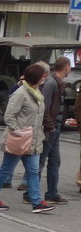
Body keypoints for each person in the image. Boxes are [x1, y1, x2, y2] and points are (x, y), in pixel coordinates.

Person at [0, 63, 54, 214]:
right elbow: (9, 116)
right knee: (6, 170)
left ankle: (36, 202)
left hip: (33, 140)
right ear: (36, 78)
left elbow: (39, 116)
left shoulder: (37, 92)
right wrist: (18, 132)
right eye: (43, 76)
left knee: (33, 170)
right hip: (19, 139)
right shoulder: (21, 93)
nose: (45, 79)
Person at [30, 56, 70, 205]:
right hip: (50, 128)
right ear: (66, 67)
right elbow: (44, 107)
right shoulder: (51, 84)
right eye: (69, 67)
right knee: (41, 161)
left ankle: (52, 193)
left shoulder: (58, 83)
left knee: (54, 161)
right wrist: (50, 126)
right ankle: (31, 193)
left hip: (55, 127)